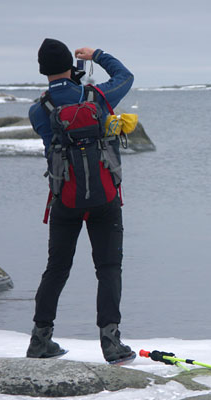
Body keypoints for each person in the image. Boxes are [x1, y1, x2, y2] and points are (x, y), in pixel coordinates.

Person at [26, 38, 135, 363]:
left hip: (65, 199)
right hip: (105, 198)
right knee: (108, 268)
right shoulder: (97, 96)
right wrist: (97, 55)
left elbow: (49, 138)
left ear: (42, 70)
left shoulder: (38, 110)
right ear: (73, 67)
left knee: (56, 269)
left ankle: (40, 340)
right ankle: (111, 344)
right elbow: (126, 77)